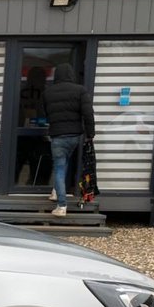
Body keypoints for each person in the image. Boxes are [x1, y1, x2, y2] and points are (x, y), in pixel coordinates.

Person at [42, 63, 95, 216]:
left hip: (57, 135)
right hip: (74, 136)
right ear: (71, 74)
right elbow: (88, 113)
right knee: (63, 163)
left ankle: (61, 205)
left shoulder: (48, 92)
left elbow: (44, 112)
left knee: (59, 166)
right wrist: (90, 134)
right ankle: (56, 192)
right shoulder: (80, 90)